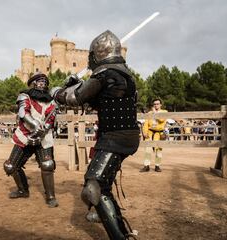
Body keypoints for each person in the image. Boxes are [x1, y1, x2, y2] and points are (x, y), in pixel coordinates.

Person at [51, 30, 140, 239]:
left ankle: (120, 235)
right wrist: (75, 85)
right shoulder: (125, 76)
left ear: (97, 54)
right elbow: (96, 99)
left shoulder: (105, 74)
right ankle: (105, 214)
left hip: (114, 138)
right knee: (100, 185)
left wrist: (57, 91)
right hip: (123, 136)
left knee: (94, 187)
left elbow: (76, 98)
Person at [3, 73, 58, 208]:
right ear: (33, 83)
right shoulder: (24, 96)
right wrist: (34, 125)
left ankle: (50, 196)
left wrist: (44, 129)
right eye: (40, 81)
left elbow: (51, 118)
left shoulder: (50, 101)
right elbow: (23, 113)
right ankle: (22, 190)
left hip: (43, 136)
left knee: (47, 165)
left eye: (45, 82)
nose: (43, 84)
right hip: (25, 135)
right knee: (11, 166)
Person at [141, 98, 168, 172]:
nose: (156, 105)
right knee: (147, 149)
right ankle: (146, 166)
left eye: (157, 104)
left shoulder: (164, 112)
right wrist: (144, 132)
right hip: (150, 132)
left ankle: (157, 166)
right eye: (155, 104)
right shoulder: (149, 113)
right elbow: (146, 123)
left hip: (159, 133)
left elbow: (161, 120)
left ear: (160, 105)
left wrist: (155, 112)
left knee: (158, 150)